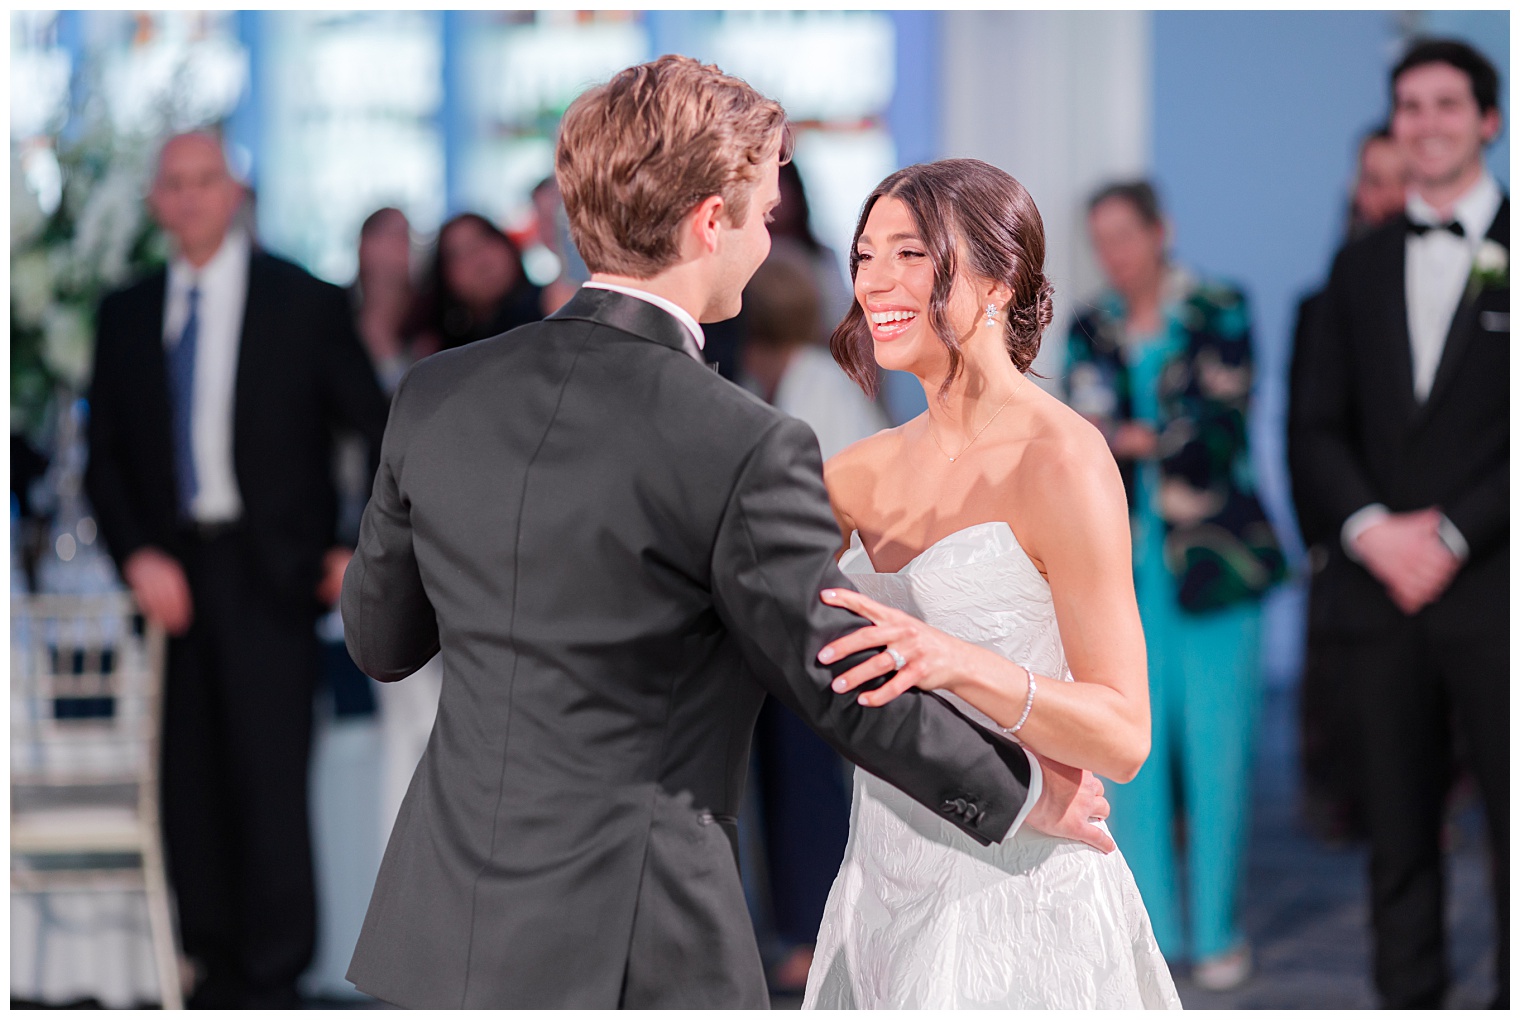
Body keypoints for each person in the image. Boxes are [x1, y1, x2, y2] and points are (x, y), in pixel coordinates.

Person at [340, 55, 1109, 1009]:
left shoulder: (436, 393)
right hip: (636, 933)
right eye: (761, 211)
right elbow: (842, 683)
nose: (766, 237)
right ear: (712, 221)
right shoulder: (739, 442)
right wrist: (1021, 791)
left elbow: (381, 643)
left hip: (439, 923)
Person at [799, 158, 1178, 1010]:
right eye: (864, 256)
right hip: (884, 871)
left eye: (910, 254)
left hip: (1021, 893)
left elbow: (1122, 733)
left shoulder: (1064, 461)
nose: (876, 283)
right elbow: (787, 645)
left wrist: (953, 661)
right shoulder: (851, 476)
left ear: (1001, 277)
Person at [84, 131, 390, 1007]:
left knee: (269, 778)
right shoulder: (127, 311)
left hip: (274, 574)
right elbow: (102, 454)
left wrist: (354, 545)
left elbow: (378, 428)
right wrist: (136, 552)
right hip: (169, 580)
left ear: (235, 191)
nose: (189, 198)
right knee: (187, 783)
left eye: (204, 181)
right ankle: (207, 970)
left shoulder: (301, 299)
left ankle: (273, 979)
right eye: (173, 184)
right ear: (156, 202)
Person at [1288, 38, 1507, 1009]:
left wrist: (1452, 534)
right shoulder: (1356, 265)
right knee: (1396, 841)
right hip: (1380, 599)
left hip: (1495, 590)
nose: (1423, 123)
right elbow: (1312, 425)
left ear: (1486, 122)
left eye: (1443, 105)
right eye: (1407, 107)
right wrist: (1376, 531)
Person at [1063, 179, 1286, 990]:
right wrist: (1143, 434)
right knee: (1131, 758)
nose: (1114, 253)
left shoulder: (1220, 306)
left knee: (1222, 755)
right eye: (1102, 239)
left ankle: (1219, 929)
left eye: (1126, 234)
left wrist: (1130, 434)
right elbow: (1080, 439)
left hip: (1217, 571)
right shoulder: (1090, 322)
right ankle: (1148, 929)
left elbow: (1215, 430)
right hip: (1120, 572)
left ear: (1162, 232)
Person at [736, 250, 889, 992]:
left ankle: (818, 936)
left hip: (819, 615)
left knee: (809, 783)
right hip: (781, 615)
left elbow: (829, 517)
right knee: (783, 778)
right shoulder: (774, 381)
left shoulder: (815, 386)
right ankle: (800, 931)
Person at [1290, 126, 1409, 845]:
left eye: (1400, 179)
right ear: (1354, 192)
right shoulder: (1321, 306)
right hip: (1348, 542)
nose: (1387, 196)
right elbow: (1305, 434)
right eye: (1373, 179)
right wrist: (1337, 535)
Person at [409, 212, 544, 357]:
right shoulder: (445, 356)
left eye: (484, 239)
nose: (478, 259)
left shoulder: (555, 309)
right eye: (459, 254)